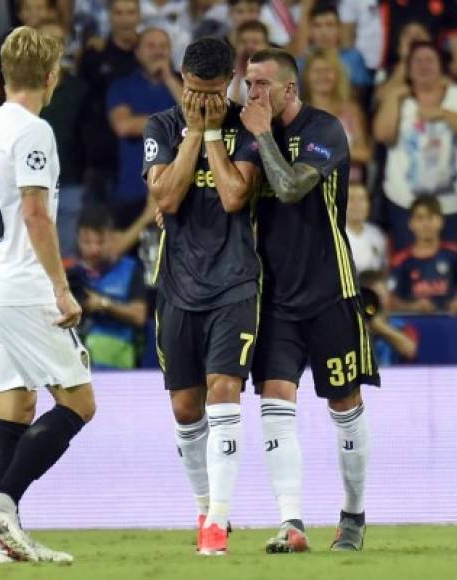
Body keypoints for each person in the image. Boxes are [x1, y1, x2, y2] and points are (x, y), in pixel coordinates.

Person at [240, 48, 380, 553]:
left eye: (260, 85)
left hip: (330, 292)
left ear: (288, 90)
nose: (251, 94)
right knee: (275, 400)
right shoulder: (247, 133)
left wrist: (259, 134)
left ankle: (354, 514)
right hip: (274, 296)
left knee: (345, 404)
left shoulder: (325, 131)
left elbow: (293, 186)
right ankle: (291, 522)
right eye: (248, 84)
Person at [0, 26, 95, 564]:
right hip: (22, 288)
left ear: (3, 73)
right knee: (79, 402)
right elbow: (36, 213)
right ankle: (2, 503)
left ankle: (6, 542)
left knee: (15, 407)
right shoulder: (34, 130)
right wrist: (61, 289)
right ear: (51, 76)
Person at [144, 37, 261, 556]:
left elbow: (237, 196)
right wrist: (195, 129)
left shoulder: (251, 127)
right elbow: (165, 196)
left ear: (229, 81)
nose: (204, 102)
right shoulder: (162, 127)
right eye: (195, 93)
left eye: (213, 94)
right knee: (185, 407)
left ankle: (217, 521)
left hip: (235, 280)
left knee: (223, 391)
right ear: (182, 80)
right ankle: (203, 502)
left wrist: (213, 129)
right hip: (177, 283)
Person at [374, 41, 457, 251]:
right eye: (417, 61)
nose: (424, 66)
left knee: (452, 268)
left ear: (441, 66)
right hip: (405, 202)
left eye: (430, 60)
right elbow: (382, 134)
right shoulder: (399, 98)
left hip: (453, 203)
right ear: (408, 68)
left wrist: (444, 114)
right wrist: (394, 96)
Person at [107, 27, 182, 228]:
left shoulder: (184, 84)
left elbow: (196, 120)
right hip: (134, 188)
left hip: (179, 187)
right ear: (137, 52)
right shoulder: (122, 86)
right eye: (150, 46)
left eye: (163, 46)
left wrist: (168, 79)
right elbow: (123, 126)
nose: (158, 51)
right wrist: (174, 122)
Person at [68, 206, 148, 369]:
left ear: (112, 237)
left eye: (100, 241)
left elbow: (139, 316)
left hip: (119, 366)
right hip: (76, 364)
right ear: (78, 239)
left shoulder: (130, 269)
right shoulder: (70, 274)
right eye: (87, 242)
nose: (94, 249)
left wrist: (104, 304)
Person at [78, 0, 141, 205]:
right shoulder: (94, 56)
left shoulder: (149, 54)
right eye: (119, 13)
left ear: (139, 16)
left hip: (142, 154)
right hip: (103, 161)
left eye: (130, 13)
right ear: (110, 17)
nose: (124, 19)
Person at [38, 20, 90, 258]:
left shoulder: (80, 89)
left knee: (66, 260)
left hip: (69, 184)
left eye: (58, 42)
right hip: (27, 187)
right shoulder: (18, 89)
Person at [389, 196, 457, 314]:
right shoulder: (400, 261)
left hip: (450, 321)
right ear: (411, 223)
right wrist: (412, 307)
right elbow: (391, 301)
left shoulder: (454, 253)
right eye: (420, 218)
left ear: (441, 221)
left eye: (430, 217)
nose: (426, 224)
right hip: (413, 326)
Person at [301, 48, 371, 183]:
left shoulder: (351, 111)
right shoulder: (296, 113)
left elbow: (364, 153)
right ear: (307, 76)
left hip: (348, 189)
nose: (323, 76)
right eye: (317, 71)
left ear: (337, 75)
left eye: (328, 71)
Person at [379, 0, 457, 80]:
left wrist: (438, 83)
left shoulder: (446, 3)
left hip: (434, 73)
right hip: (390, 74)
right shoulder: (378, 4)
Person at [294, 1, 372, 91]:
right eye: (317, 26)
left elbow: (362, 96)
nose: (324, 32)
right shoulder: (301, 63)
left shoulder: (354, 59)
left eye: (329, 25)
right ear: (310, 31)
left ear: (339, 29)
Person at [358, 270, 418, 366]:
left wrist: (380, 327)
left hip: (393, 379)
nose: (377, 302)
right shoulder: (349, 326)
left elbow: (410, 351)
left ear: (389, 297)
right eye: (372, 298)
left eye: (380, 297)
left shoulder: (402, 326)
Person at [346, 183, 388, 273]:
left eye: (361, 199)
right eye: (351, 199)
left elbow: (383, 270)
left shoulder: (377, 234)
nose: (356, 205)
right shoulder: (332, 236)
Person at [228, 20, 271, 105]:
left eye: (256, 42)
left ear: (267, 46)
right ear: (235, 45)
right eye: (244, 42)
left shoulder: (278, 77)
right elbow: (230, 113)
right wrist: (238, 76)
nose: (249, 47)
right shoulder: (225, 78)